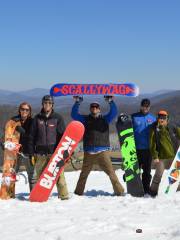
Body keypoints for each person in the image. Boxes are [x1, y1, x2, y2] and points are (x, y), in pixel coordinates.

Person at [71, 95, 124, 196]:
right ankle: (78, 194)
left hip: (102, 152)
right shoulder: (85, 119)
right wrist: (78, 102)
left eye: (96, 107)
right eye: (92, 107)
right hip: (89, 152)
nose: (94, 109)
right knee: (83, 174)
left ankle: (120, 192)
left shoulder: (105, 119)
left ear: (99, 109)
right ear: (90, 109)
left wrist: (110, 101)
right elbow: (74, 115)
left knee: (111, 173)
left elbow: (114, 112)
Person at [28, 95, 69, 200]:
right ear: (42, 104)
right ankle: (39, 196)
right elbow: (31, 137)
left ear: (52, 105)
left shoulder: (57, 118)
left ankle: (64, 196)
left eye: (49, 103)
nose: (47, 105)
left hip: (54, 154)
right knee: (40, 177)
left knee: (59, 176)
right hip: (40, 154)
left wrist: (65, 152)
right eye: (45, 103)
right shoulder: (37, 118)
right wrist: (31, 153)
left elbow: (62, 136)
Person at [0, 102, 34, 199]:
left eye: (27, 110)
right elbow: (6, 134)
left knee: (32, 175)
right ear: (19, 110)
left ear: (29, 111)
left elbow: (34, 136)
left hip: (27, 152)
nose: (24, 111)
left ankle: (34, 195)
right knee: (11, 172)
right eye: (22, 109)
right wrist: (3, 142)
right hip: (14, 152)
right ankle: (7, 194)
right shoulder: (13, 121)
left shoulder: (32, 121)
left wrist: (24, 133)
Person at [149, 110, 180, 196]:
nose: (161, 119)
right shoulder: (154, 128)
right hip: (161, 157)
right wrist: (155, 156)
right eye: (160, 118)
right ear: (157, 118)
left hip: (173, 156)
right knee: (158, 175)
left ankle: (177, 191)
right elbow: (152, 143)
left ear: (167, 118)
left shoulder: (172, 127)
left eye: (163, 118)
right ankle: (152, 192)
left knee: (176, 175)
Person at [132, 98, 156, 194]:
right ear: (140, 106)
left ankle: (146, 189)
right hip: (135, 149)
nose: (145, 108)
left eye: (147, 106)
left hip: (148, 150)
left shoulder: (153, 118)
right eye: (143, 106)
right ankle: (136, 189)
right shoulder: (134, 117)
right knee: (135, 171)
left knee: (147, 171)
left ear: (149, 107)